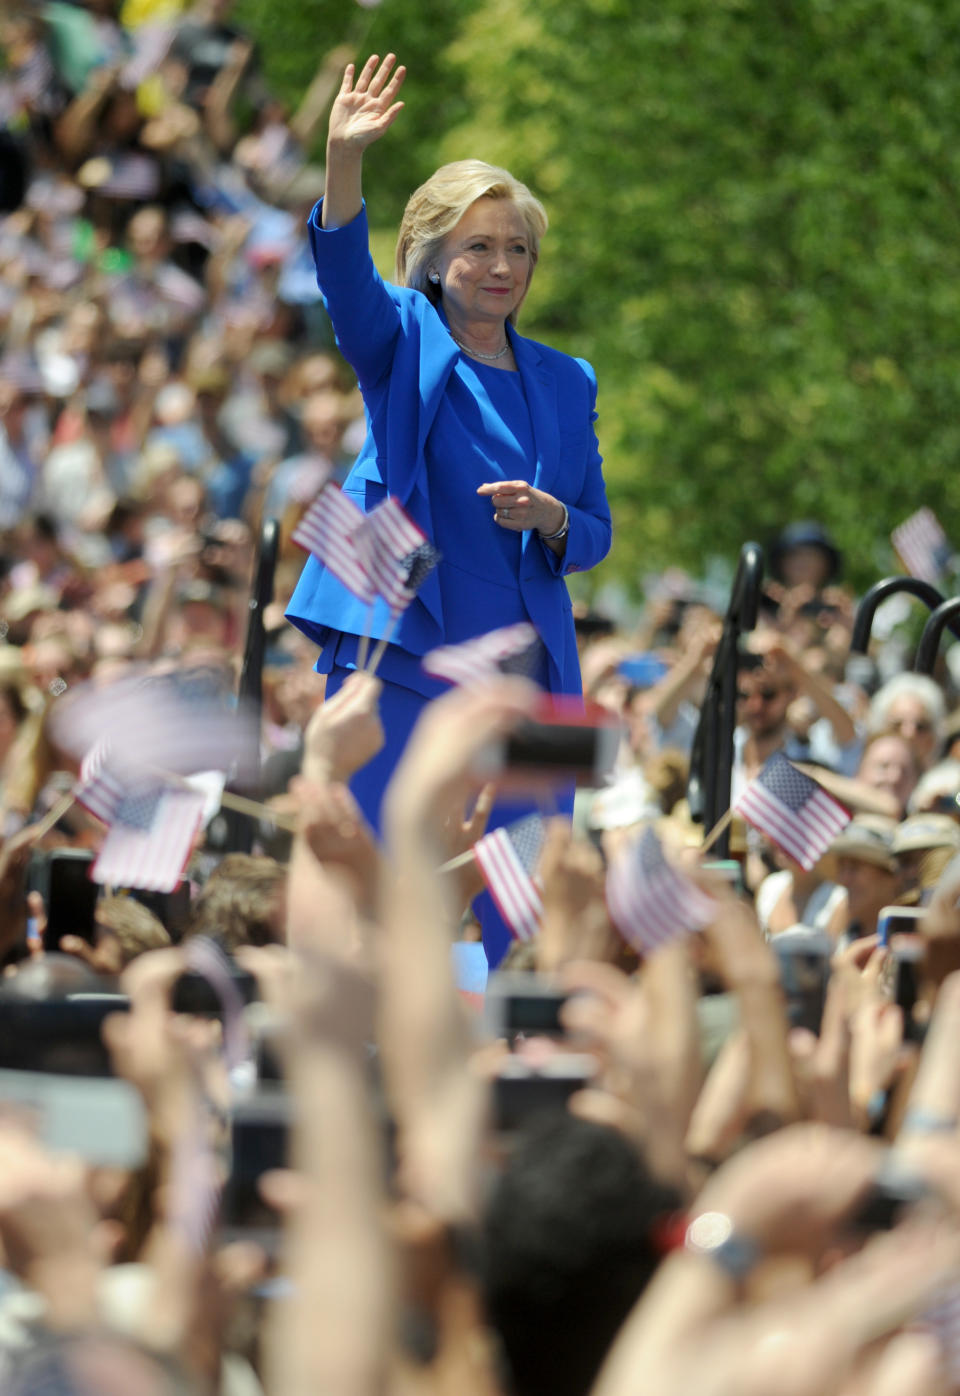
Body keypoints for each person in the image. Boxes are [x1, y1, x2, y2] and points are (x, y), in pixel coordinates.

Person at [285, 54, 612, 964]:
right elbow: (344, 277)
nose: (502, 265)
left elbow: (594, 533)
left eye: (518, 248)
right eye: (478, 245)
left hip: (529, 674)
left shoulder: (569, 378)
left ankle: (524, 1065)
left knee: (529, 898)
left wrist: (553, 516)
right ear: (431, 259)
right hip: (409, 649)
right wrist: (342, 162)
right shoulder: (401, 338)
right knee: (385, 892)